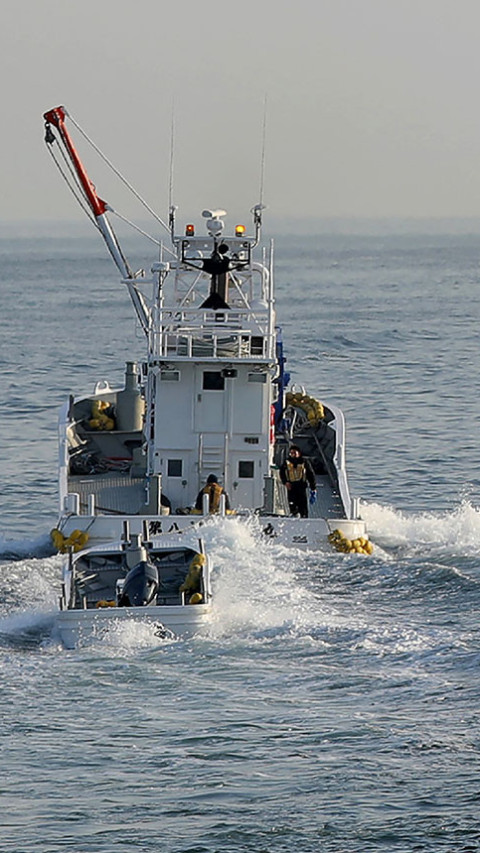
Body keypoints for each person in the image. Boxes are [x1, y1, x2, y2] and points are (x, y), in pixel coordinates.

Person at [280, 444, 316, 518]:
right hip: (291, 487)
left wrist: (313, 488)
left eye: (294, 453)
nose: (292, 455)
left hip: (301, 487)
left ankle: (304, 517)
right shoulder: (286, 463)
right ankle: (294, 515)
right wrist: (285, 482)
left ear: (298, 453)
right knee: (292, 505)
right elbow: (282, 473)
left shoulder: (304, 462)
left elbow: (310, 474)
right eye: (291, 453)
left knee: (302, 506)